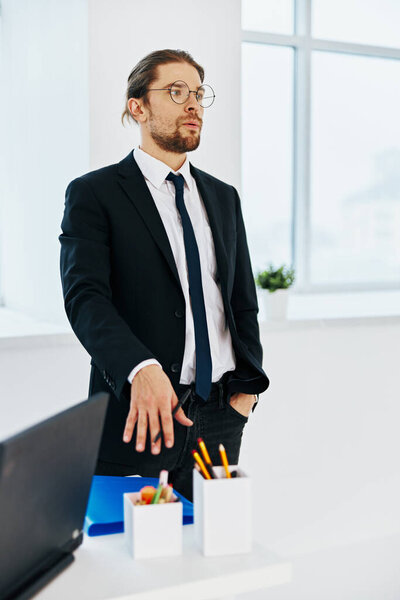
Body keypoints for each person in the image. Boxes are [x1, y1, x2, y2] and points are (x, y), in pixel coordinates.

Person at [59, 49, 269, 501]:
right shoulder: (94, 194)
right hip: (144, 410)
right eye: (176, 92)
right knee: (135, 555)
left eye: (198, 93)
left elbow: (241, 300)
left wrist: (246, 391)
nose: (192, 104)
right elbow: (85, 298)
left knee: (212, 548)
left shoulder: (223, 197)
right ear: (138, 106)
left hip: (221, 415)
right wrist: (141, 368)